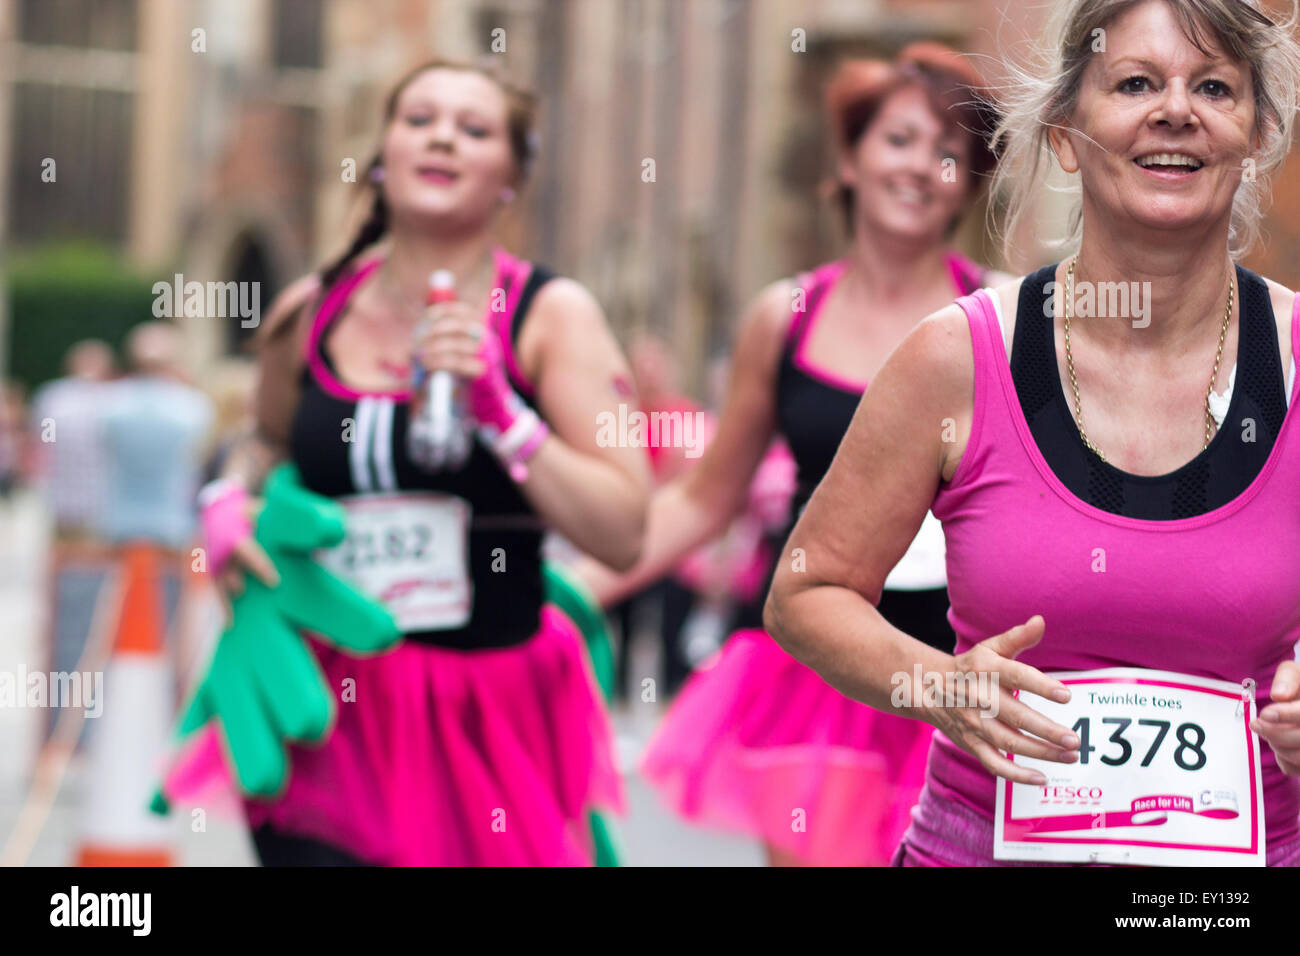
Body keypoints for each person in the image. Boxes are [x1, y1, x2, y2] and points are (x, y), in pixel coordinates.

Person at [765, 0, 1300, 867]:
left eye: (1214, 87)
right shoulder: (958, 357)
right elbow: (805, 592)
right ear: (1062, 131)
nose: (1176, 110)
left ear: (1255, 134)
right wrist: (939, 684)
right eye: (1134, 83)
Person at [199, 58, 649, 866]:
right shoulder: (311, 307)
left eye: (474, 129)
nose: (441, 135)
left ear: (512, 175)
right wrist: (226, 498)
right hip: (324, 699)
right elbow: (263, 441)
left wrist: (502, 417)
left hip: (483, 707)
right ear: (382, 154)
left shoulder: (551, 316)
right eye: (418, 119)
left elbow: (622, 527)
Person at [579, 42, 1003, 865]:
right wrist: (573, 585)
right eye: (900, 140)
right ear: (847, 158)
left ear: (970, 183)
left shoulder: (1002, 312)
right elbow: (706, 498)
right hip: (817, 680)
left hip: (956, 673)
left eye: (949, 153)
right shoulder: (787, 317)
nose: (922, 167)